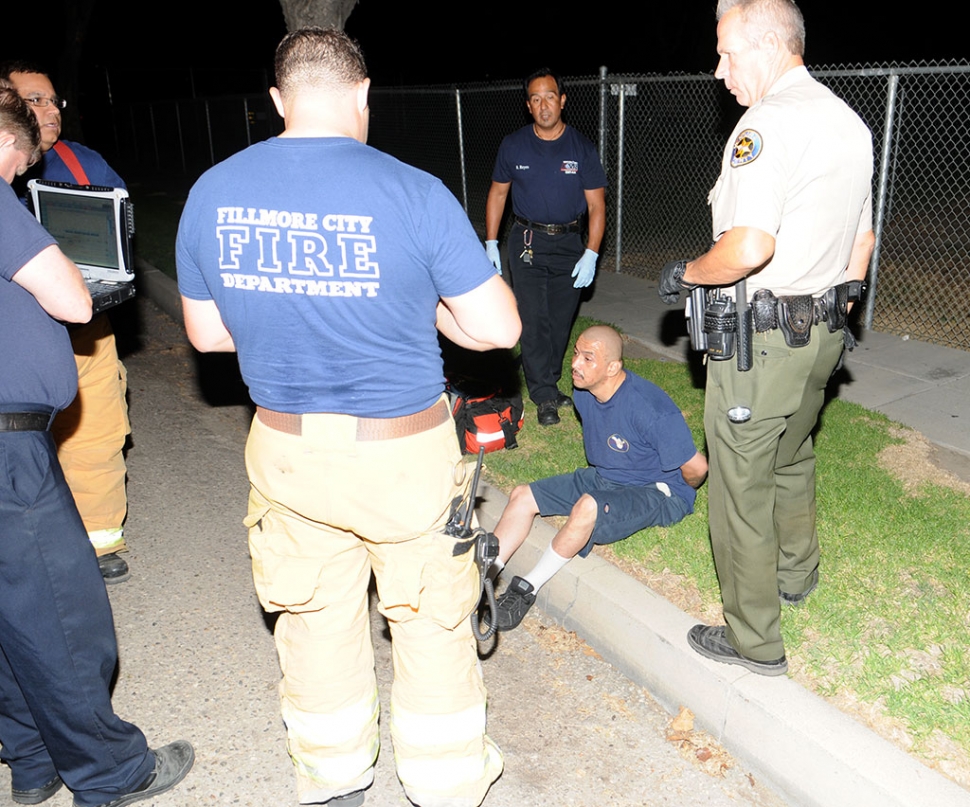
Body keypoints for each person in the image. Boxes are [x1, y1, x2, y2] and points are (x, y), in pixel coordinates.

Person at [176, 27, 520, 807]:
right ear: (363, 95)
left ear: (277, 100)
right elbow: (497, 327)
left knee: (315, 622)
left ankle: (333, 783)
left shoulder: (213, 192)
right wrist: (430, 310)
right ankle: (444, 786)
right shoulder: (413, 191)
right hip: (401, 455)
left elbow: (207, 335)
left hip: (289, 451)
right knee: (430, 624)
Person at [658, 0, 875, 676]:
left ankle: (755, 639)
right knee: (792, 453)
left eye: (726, 52)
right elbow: (862, 241)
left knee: (740, 483)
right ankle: (796, 573)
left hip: (764, 346)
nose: (719, 69)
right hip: (825, 332)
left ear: (768, 44)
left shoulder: (767, 124)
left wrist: (686, 274)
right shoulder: (848, 122)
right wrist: (838, 307)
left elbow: (749, 245)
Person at [0, 83, 193, 807]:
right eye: (18, 162)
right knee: (60, 609)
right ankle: (109, 770)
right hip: (9, 453)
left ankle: (32, 757)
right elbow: (73, 300)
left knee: (9, 613)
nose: (20, 175)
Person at [0, 61, 132, 584]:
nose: (49, 111)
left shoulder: (85, 164)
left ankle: (98, 543)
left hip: (85, 329)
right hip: (18, 335)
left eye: (54, 101)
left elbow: (122, 238)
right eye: (34, 100)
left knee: (97, 433)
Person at [488, 325, 707, 631]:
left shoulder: (649, 408)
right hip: (606, 476)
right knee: (522, 495)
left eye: (588, 358)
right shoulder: (583, 393)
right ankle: (485, 575)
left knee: (588, 506)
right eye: (576, 353)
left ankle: (526, 589)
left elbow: (697, 467)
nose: (575, 364)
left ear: (613, 367)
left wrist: (681, 492)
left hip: (657, 491)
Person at [485, 69, 607, 427]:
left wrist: (593, 251)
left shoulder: (581, 148)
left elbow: (598, 206)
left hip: (571, 243)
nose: (544, 105)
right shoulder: (514, 144)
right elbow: (498, 193)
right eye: (535, 99)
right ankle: (543, 394)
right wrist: (491, 241)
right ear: (528, 105)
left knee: (559, 320)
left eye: (550, 96)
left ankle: (548, 379)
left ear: (562, 100)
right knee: (534, 319)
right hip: (527, 243)